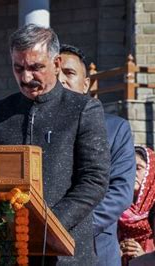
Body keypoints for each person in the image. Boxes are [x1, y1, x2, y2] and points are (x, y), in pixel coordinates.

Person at [0, 24, 110, 265]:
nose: (26, 77)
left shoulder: (82, 110)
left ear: (57, 64)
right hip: (9, 250)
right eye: (18, 68)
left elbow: (94, 179)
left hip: (66, 252)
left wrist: (48, 223)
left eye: (35, 67)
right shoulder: (0, 112)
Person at [58, 44, 136, 266]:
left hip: (96, 247)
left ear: (86, 84)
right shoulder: (39, 126)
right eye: (56, 74)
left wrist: (71, 228)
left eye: (69, 73)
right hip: (47, 250)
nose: (62, 80)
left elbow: (120, 192)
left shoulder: (115, 129)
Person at [119, 146, 155, 264]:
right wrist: (118, 251)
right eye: (128, 168)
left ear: (151, 172)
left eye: (138, 168)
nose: (132, 173)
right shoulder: (115, 206)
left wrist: (145, 258)